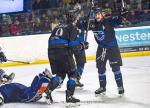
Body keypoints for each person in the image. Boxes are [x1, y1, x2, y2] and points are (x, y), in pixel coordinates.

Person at [47, 9, 88, 103]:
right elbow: (73, 46)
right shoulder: (72, 28)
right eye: (76, 17)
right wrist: (82, 46)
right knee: (73, 74)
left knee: (61, 74)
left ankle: (48, 90)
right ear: (74, 19)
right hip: (63, 51)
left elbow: (51, 40)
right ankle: (69, 97)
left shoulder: (58, 26)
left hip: (51, 51)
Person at [88, 8, 125, 95]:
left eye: (98, 14)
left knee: (115, 68)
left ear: (103, 14)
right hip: (101, 48)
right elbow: (79, 26)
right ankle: (102, 87)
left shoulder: (109, 20)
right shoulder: (92, 24)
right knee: (100, 68)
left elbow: (119, 21)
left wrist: (122, 15)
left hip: (112, 48)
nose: (97, 16)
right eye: (95, 14)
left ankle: (120, 86)